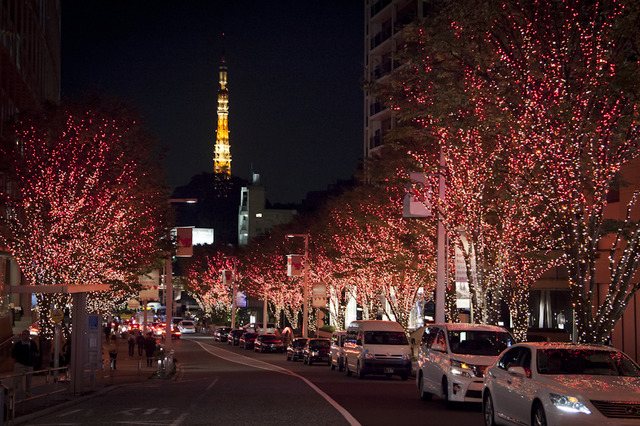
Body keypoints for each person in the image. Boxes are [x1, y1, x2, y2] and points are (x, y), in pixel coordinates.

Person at [12, 330, 39, 397]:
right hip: (20, 363)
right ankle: (13, 393)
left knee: (29, 380)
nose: (26, 336)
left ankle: (28, 392)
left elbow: (36, 351)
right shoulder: (18, 344)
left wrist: (34, 358)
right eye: (24, 334)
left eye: (27, 334)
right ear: (22, 335)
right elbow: (13, 354)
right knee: (16, 380)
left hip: (29, 364)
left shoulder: (32, 343)